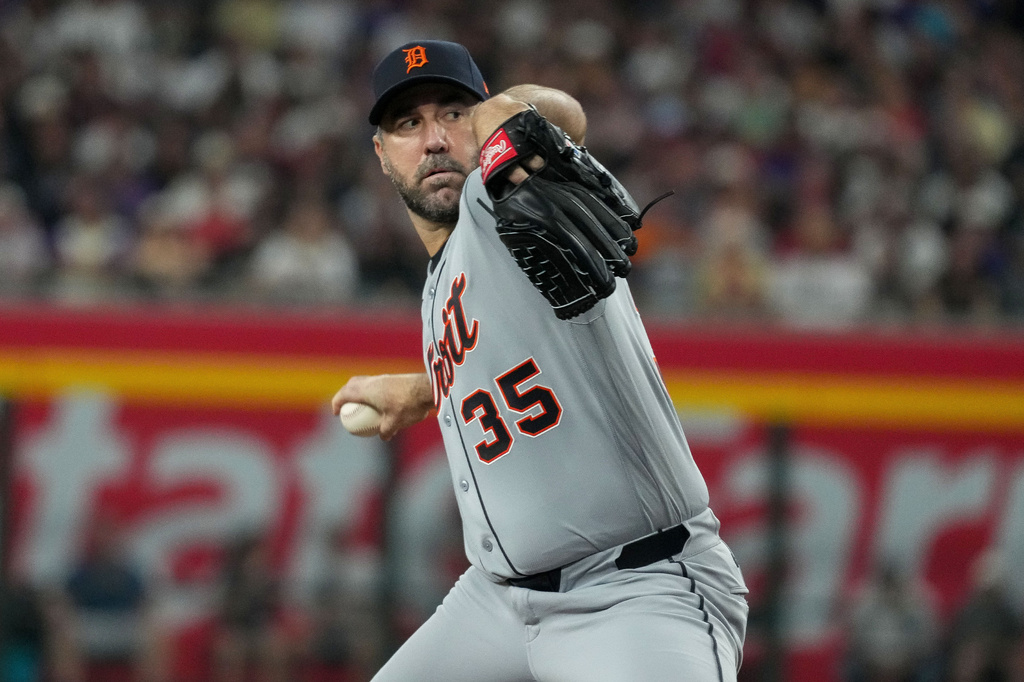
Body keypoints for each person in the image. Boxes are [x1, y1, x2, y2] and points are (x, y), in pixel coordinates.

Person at [331, 40, 748, 682]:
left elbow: (561, 117)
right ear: (383, 155)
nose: (436, 138)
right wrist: (423, 390)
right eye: (408, 123)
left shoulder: (497, 199)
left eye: (452, 113)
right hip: (497, 600)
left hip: (635, 589)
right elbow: (515, 355)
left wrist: (507, 115)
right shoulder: (439, 279)